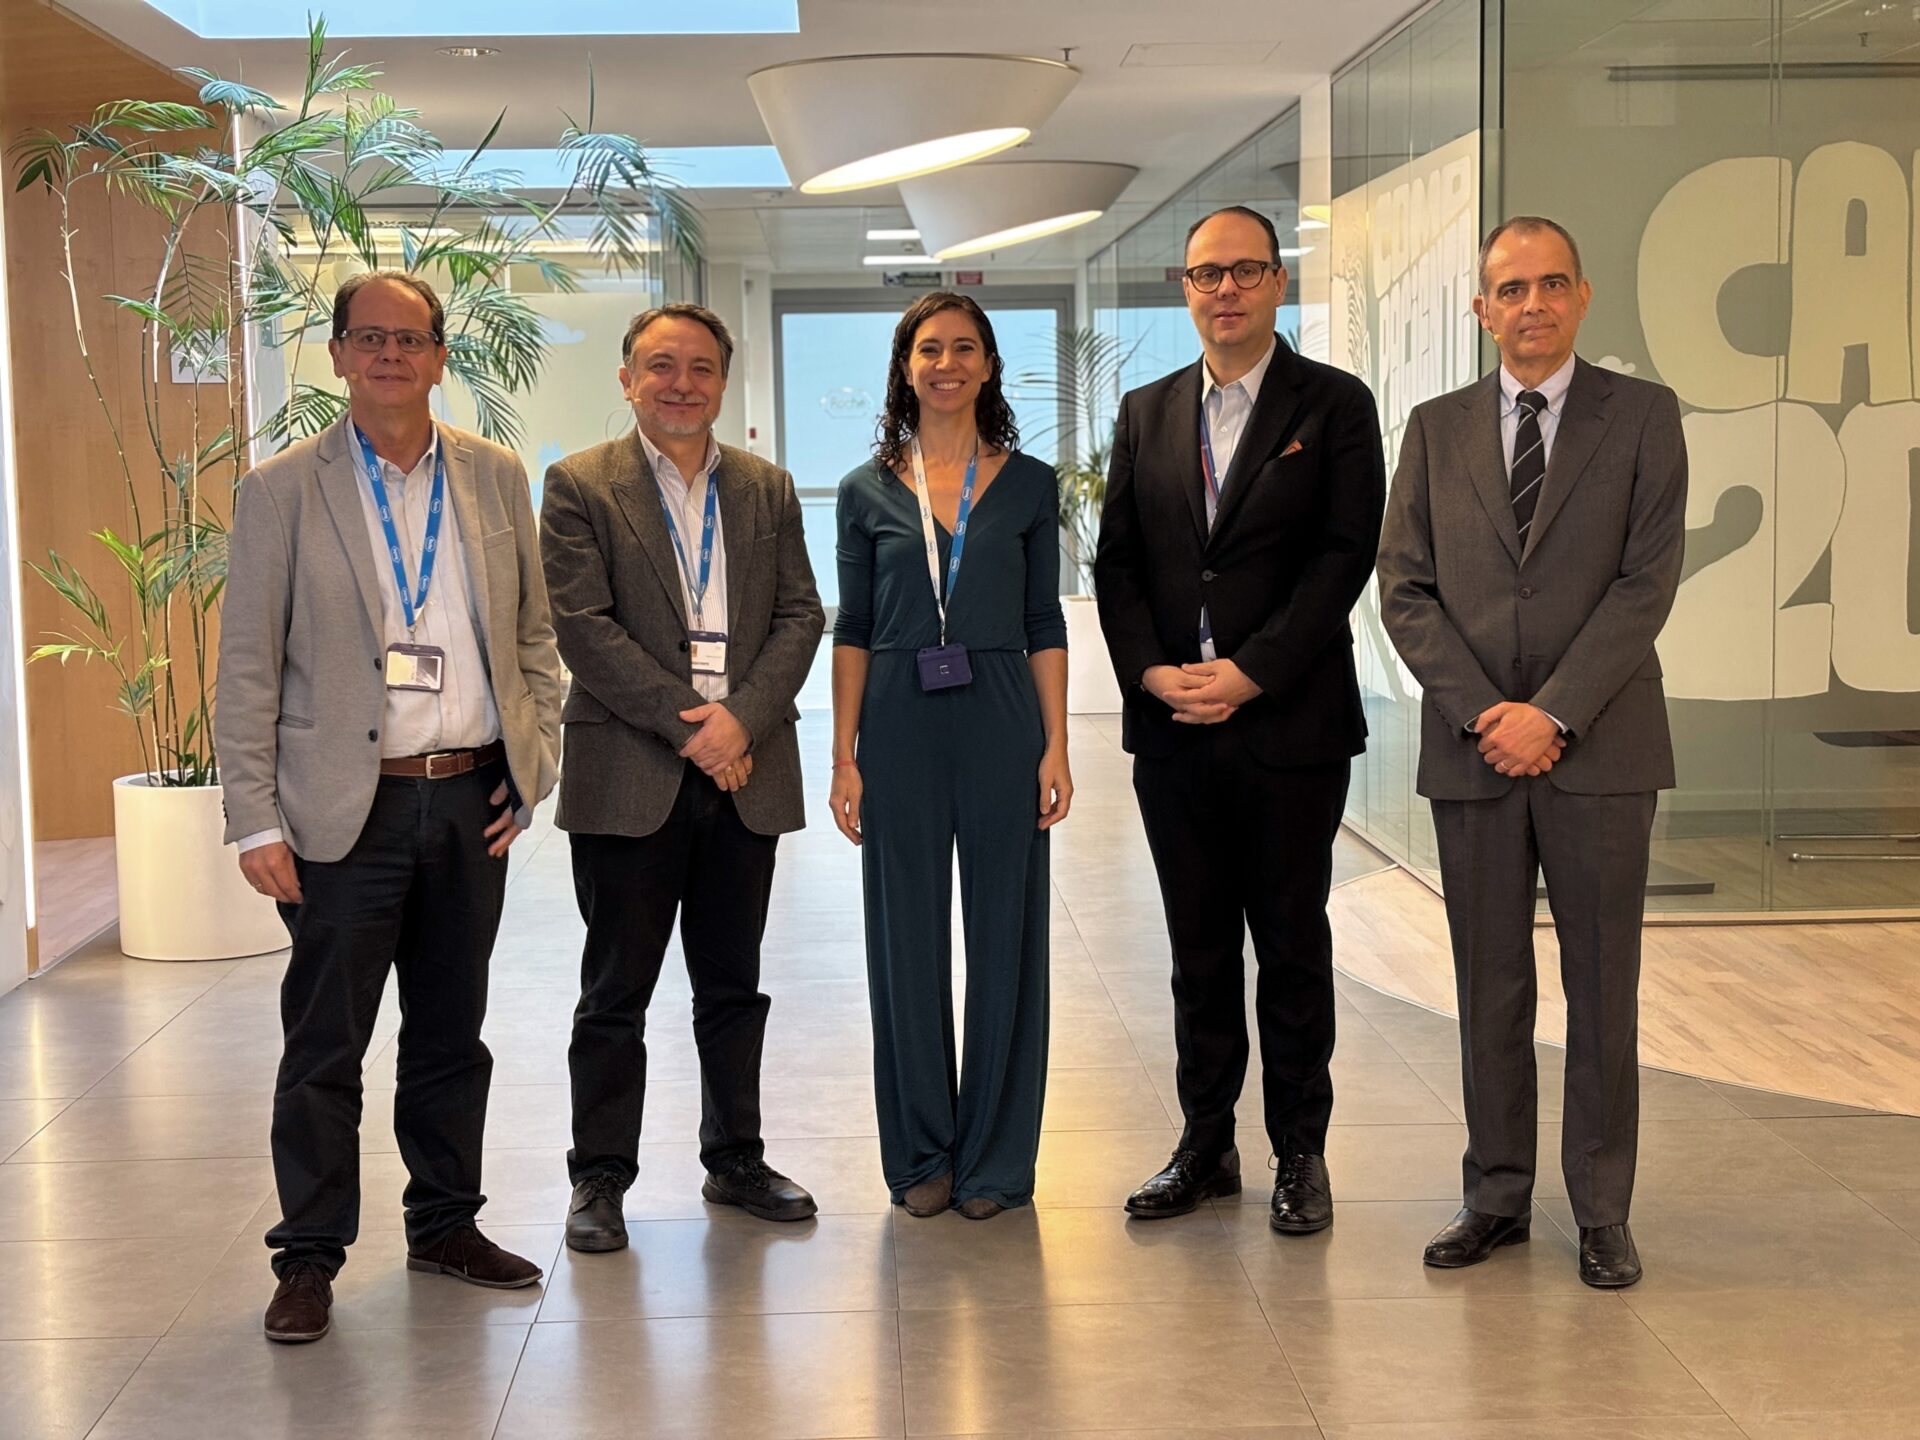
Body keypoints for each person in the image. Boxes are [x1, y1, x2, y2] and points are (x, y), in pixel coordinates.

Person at [217, 270, 565, 1343]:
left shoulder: (494, 474)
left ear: (440, 356)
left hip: (469, 798)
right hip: (342, 813)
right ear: (336, 354)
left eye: (410, 339)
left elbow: (533, 634)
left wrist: (534, 761)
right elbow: (247, 666)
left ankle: (446, 1225)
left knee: (452, 1033)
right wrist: (254, 818)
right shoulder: (282, 489)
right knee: (326, 1044)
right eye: (368, 338)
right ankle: (309, 1257)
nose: (389, 356)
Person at [1376, 216, 1687, 1288]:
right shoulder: (1434, 429)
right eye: (1511, 289)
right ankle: (1496, 1196)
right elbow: (1404, 588)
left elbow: (1646, 583)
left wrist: (1551, 713)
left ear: (1582, 296)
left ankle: (1601, 1209)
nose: (1533, 304)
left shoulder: (1642, 416)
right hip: (1474, 754)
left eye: (1552, 284)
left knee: (1603, 986)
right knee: (1490, 983)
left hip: (1601, 748)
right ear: (1482, 309)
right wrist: (1485, 714)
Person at [1094, 206, 1385, 1232]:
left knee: (1292, 945)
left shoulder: (1335, 405)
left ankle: (1300, 1151)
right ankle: (1205, 1144)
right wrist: (1151, 673)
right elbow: (1118, 562)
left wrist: (1253, 673)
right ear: (1185, 289)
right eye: (1207, 273)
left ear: (1277, 283)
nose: (1226, 290)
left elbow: (1343, 556)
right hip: (1174, 728)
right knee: (1199, 949)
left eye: (1246, 271)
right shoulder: (1147, 411)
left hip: (1290, 727)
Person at [541, 303, 825, 1251]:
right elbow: (585, 629)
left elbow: (800, 615)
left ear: (723, 383)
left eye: (701, 368)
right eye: (661, 365)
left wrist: (743, 719)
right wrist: (696, 730)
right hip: (631, 772)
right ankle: (599, 1177)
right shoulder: (580, 484)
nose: (681, 384)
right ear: (627, 379)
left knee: (733, 985)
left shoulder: (766, 488)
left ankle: (735, 1157)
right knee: (615, 992)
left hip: (746, 771)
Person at [828, 291, 1071, 1221]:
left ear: (989, 366)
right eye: (929, 349)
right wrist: (845, 755)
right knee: (905, 940)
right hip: (897, 720)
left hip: (1003, 716)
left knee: (1007, 934)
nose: (947, 364)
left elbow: (1043, 620)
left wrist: (1056, 743)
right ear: (905, 365)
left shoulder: (1031, 485)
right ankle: (921, 1152)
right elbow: (853, 626)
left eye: (965, 348)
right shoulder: (864, 490)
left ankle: (997, 1161)